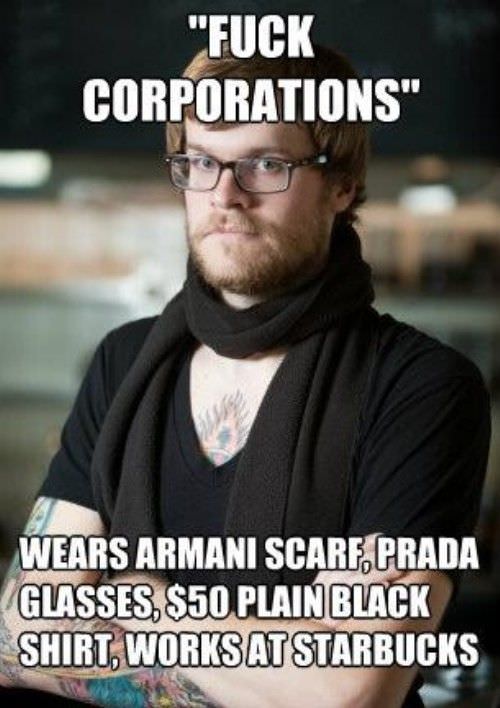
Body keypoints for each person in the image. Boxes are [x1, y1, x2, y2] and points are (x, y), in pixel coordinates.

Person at [0, 44, 491, 708]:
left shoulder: (420, 387)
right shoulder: (122, 363)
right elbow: (22, 635)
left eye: (266, 164)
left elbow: (349, 689)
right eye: (202, 162)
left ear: (342, 185)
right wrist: (268, 663)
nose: (225, 196)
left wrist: (153, 610)